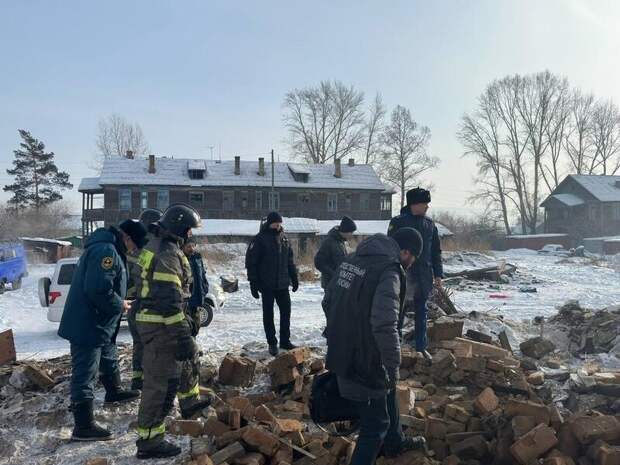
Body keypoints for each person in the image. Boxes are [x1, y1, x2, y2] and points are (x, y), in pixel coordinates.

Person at [324, 228, 426, 465]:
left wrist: (344, 333)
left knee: (387, 390)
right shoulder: (389, 272)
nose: (411, 264)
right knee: (375, 424)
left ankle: (394, 443)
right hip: (364, 359)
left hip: (342, 350)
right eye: (413, 258)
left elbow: (328, 300)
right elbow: (384, 325)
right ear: (405, 251)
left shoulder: (351, 260)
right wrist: (393, 364)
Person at [134, 204, 212, 459]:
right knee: (160, 384)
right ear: (180, 228)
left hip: (157, 322)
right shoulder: (167, 254)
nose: (191, 234)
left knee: (174, 373)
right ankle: (149, 441)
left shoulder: (157, 245)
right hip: (161, 326)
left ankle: (188, 403)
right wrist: (183, 336)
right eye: (189, 229)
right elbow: (169, 302)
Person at [58, 221, 145, 441]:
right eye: (134, 245)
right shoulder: (106, 251)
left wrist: (118, 301)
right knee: (85, 370)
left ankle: (113, 390)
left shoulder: (110, 248)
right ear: (127, 238)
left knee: (107, 353)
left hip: (99, 321)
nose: (134, 250)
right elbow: (97, 289)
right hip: (88, 322)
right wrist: (120, 304)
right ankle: (83, 425)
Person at [388, 187, 443, 360]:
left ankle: (421, 346)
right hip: (404, 274)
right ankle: (394, 346)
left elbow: (436, 251)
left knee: (422, 312)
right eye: (424, 203)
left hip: (424, 275)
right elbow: (390, 247)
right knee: (398, 311)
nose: (427, 207)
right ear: (414, 204)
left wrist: (438, 274)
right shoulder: (398, 222)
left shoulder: (430, 224)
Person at [246, 211, 299, 357]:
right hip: (266, 284)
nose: (278, 225)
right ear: (269, 223)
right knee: (268, 314)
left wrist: (294, 278)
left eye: (279, 223)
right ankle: (272, 343)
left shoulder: (284, 239)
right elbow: (252, 262)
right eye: (275, 222)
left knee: (286, 313)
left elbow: (290, 261)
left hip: (282, 284)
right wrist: (253, 283)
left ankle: (285, 341)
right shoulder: (259, 239)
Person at [125, 209, 163, 390]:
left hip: (133, 305)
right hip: (146, 305)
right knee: (153, 344)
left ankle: (137, 380)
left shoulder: (134, 250)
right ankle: (150, 379)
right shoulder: (152, 250)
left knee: (139, 344)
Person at [314, 216, 357, 290]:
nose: (351, 235)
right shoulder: (329, 242)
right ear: (345, 230)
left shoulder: (341, 242)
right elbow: (318, 262)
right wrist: (333, 274)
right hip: (330, 283)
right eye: (351, 232)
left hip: (339, 283)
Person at [182, 236, 209, 334]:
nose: (191, 248)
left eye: (193, 246)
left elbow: (202, 274)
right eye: (188, 246)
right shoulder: (179, 258)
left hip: (197, 297)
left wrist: (205, 286)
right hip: (185, 300)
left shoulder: (197, 257)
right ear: (183, 247)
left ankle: (192, 345)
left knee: (196, 326)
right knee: (186, 328)